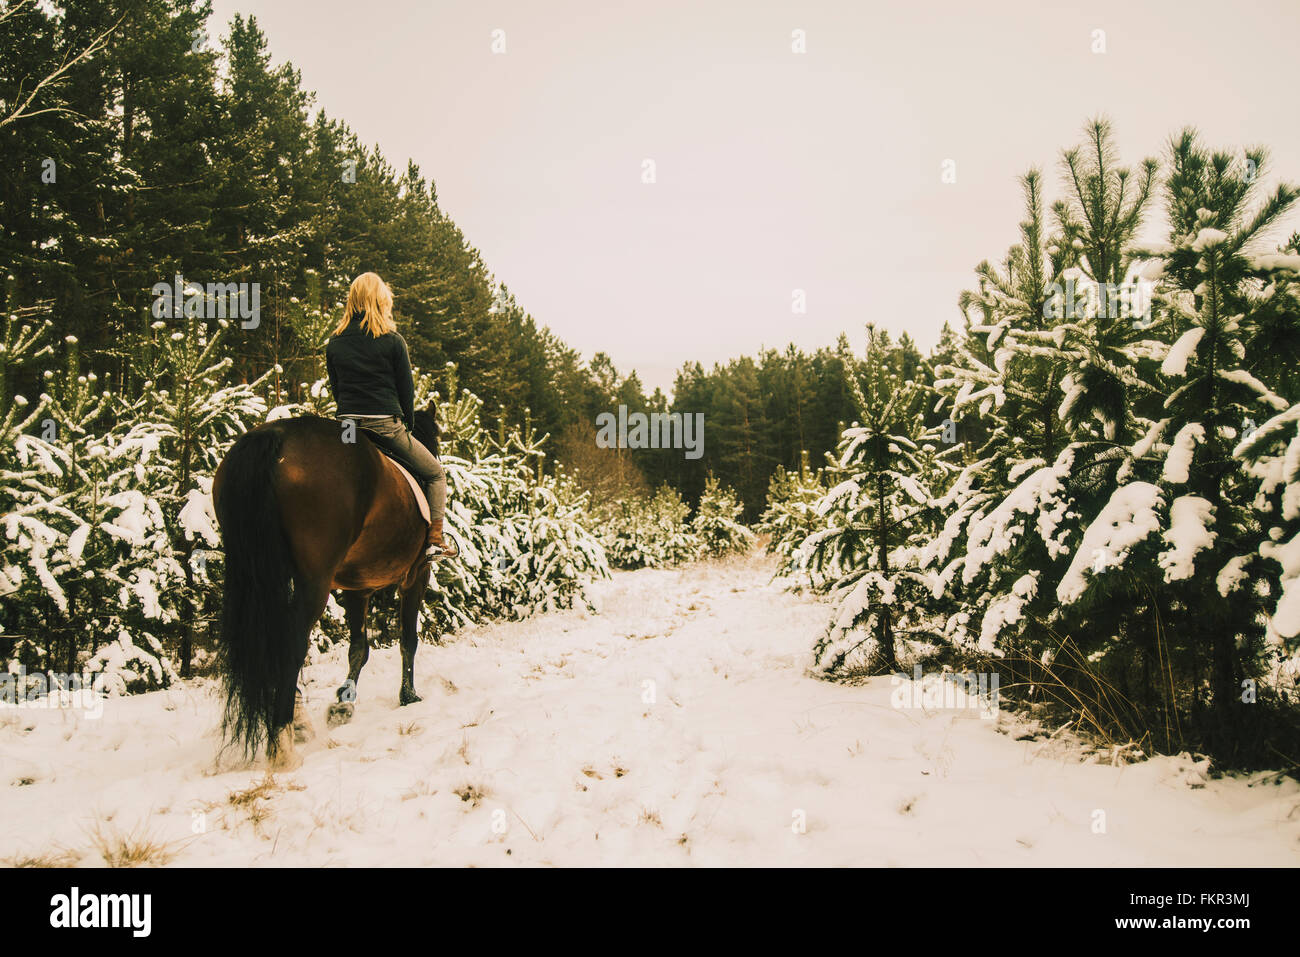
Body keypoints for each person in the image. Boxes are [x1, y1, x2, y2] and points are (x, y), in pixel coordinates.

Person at [325, 272, 455, 559]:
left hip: (347, 427)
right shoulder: (393, 341)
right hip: (384, 425)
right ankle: (435, 538)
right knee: (435, 474)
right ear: (381, 299)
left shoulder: (334, 343)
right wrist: (406, 425)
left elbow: (337, 389)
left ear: (352, 300)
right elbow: (405, 391)